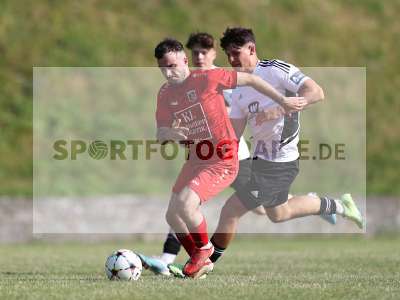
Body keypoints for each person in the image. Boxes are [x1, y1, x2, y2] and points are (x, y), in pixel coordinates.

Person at [204, 27, 364, 263]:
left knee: (231, 210)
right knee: (279, 213)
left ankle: (203, 264)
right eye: (228, 54)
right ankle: (341, 206)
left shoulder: (276, 70)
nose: (232, 59)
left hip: (281, 162)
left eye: (236, 52)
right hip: (261, 160)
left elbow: (316, 92)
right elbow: (234, 133)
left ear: (252, 49)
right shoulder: (237, 87)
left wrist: (279, 109)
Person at [153, 37, 305, 278]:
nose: (168, 73)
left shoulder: (206, 78)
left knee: (186, 204)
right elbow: (160, 134)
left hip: (222, 159)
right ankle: (198, 260)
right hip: (196, 159)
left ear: (184, 60)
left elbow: (252, 79)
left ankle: (204, 251)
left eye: (172, 66)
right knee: (172, 214)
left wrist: (283, 100)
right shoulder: (164, 94)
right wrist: (170, 133)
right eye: (163, 68)